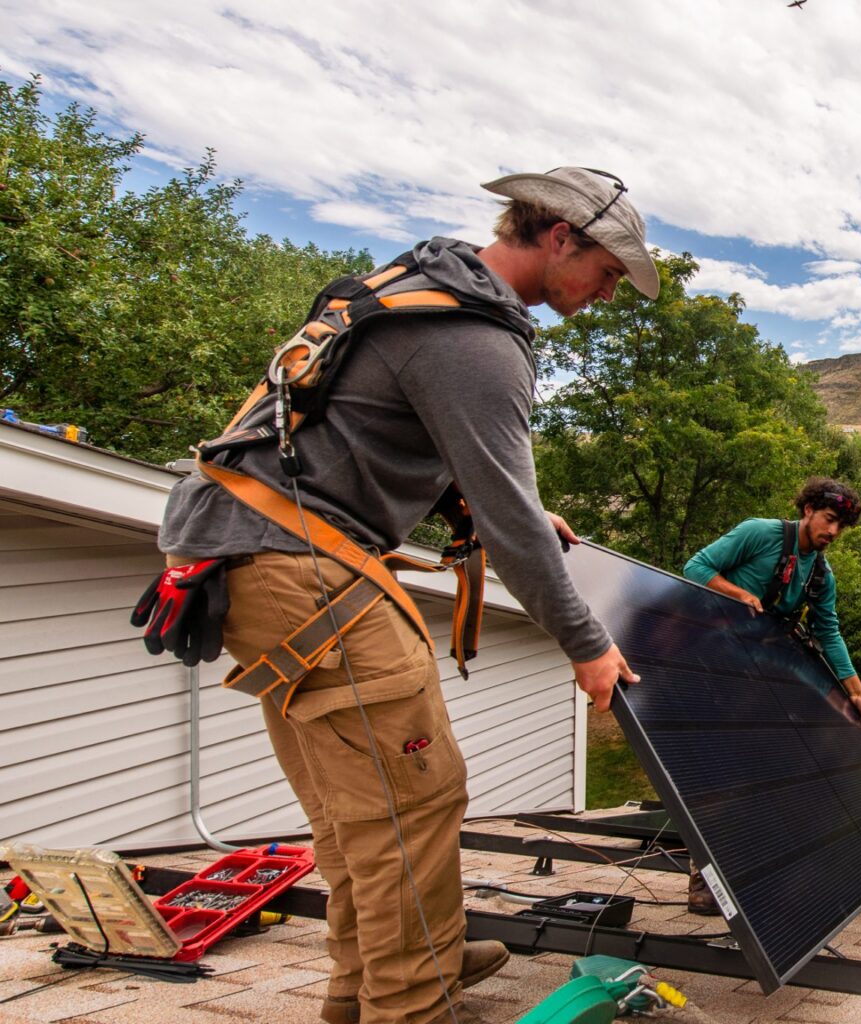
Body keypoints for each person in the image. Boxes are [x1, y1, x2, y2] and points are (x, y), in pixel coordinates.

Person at [155, 167, 649, 1024]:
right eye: (608, 270)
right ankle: (414, 1000)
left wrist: (518, 506)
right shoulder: (479, 341)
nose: (608, 291)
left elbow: (369, 437)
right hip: (296, 562)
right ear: (561, 236)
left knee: (359, 806)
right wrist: (585, 643)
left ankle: (370, 983)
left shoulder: (412, 287)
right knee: (416, 797)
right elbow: (508, 523)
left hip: (241, 555)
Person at [679, 477, 861, 914]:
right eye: (829, 520)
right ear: (807, 509)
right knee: (716, 774)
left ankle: (762, 866)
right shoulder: (760, 533)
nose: (834, 533)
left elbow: (828, 631)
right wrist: (738, 593)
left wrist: (855, 690)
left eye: (842, 527)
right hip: (714, 660)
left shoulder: (821, 573)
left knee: (770, 767)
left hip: (761, 671)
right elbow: (695, 568)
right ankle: (704, 877)